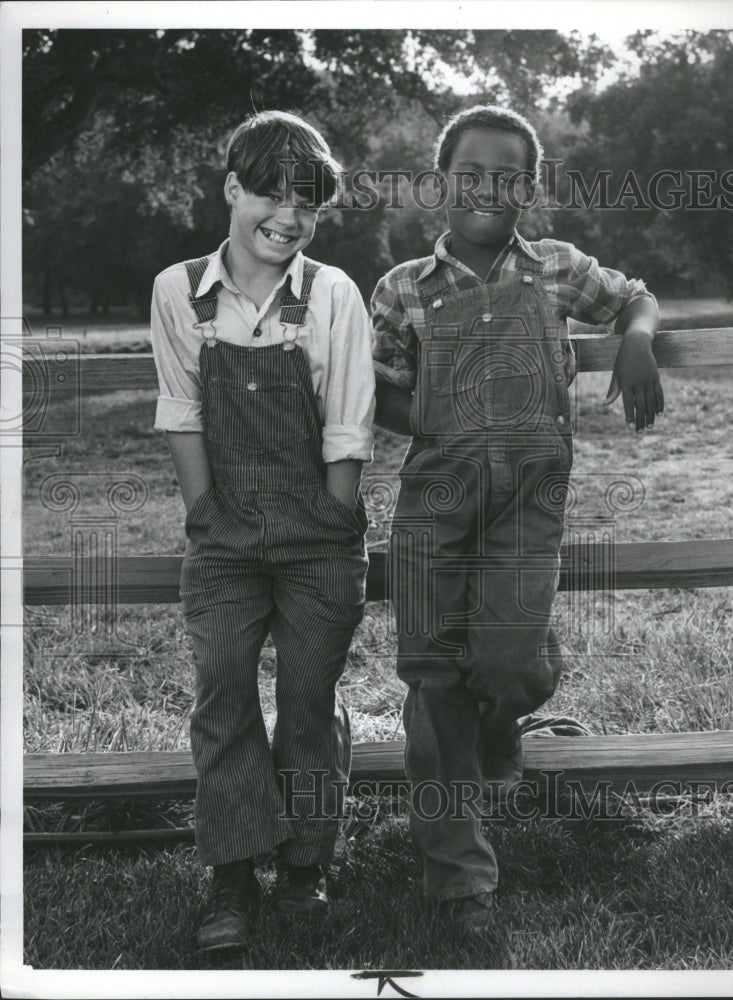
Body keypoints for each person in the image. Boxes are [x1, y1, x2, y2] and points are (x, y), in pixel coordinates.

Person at [371, 105, 663, 930]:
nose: (487, 190)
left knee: (508, 668)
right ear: (439, 184)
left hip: (527, 505)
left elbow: (635, 296)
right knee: (433, 685)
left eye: (507, 178)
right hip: (434, 500)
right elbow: (375, 391)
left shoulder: (557, 269)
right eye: (470, 175)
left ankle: (514, 705)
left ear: (529, 190)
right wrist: (441, 418)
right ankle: (457, 881)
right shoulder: (401, 289)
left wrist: (636, 340)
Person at [150, 110, 375, 951]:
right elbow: (181, 409)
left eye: (307, 205)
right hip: (225, 540)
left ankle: (306, 865)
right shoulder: (180, 290)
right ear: (231, 189)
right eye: (270, 195)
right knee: (224, 692)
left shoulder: (332, 294)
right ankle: (233, 874)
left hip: (317, 534)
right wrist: (205, 511)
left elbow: (348, 423)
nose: (287, 217)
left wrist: (332, 515)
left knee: (308, 701)